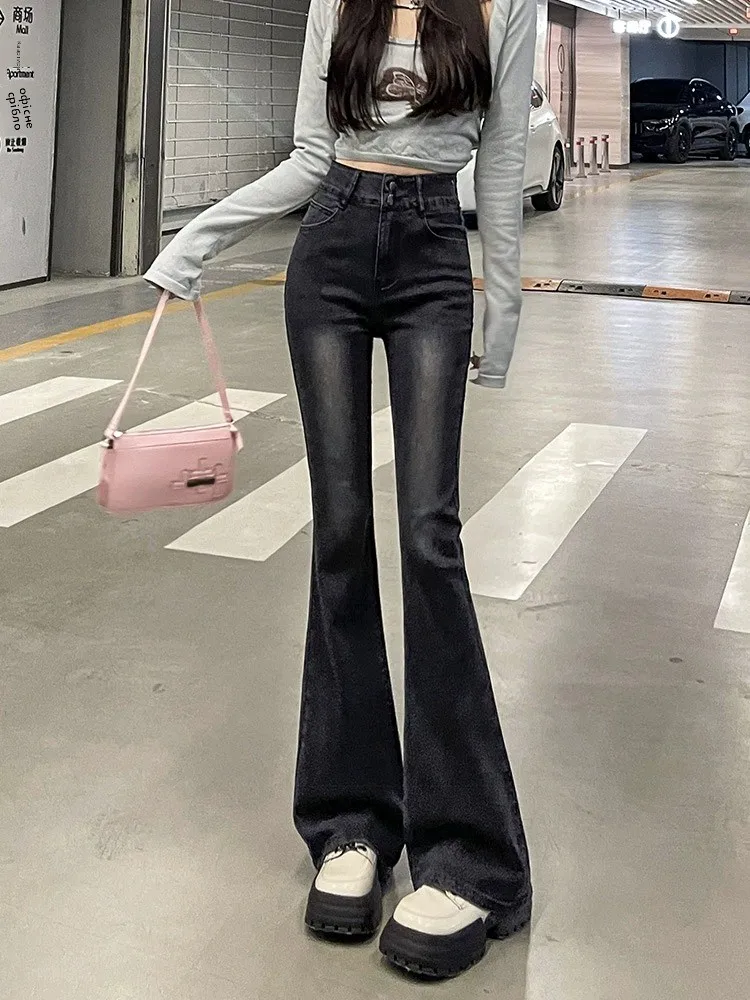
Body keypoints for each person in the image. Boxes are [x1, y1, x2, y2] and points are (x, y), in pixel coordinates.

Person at [145, 0, 535, 979]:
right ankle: (350, 822)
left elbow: (501, 164)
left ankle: (471, 859)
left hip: (432, 256)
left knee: (429, 536)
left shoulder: (507, 4)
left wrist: (505, 308)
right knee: (341, 531)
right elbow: (312, 155)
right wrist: (199, 239)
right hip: (330, 251)